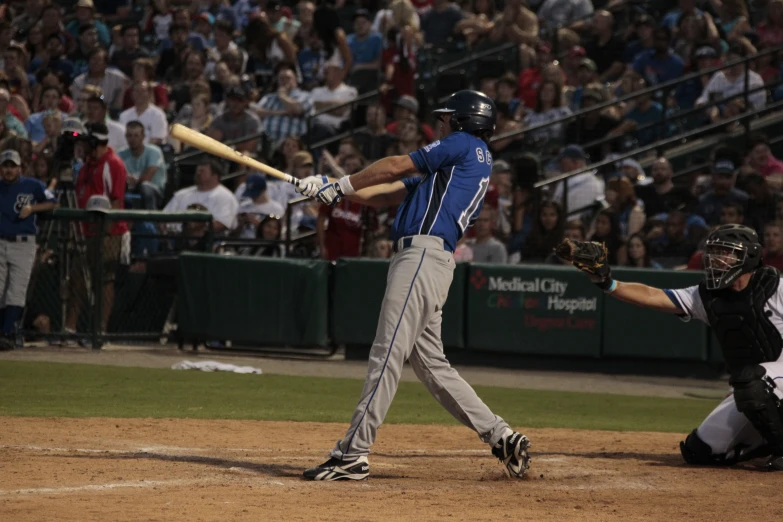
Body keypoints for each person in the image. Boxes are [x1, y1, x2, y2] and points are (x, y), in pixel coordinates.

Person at [295, 90, 531, 481]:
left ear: (464, 120)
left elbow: (392, 167)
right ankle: (500, 435)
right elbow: (386, 192)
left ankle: (353, 453)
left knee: (386, 354)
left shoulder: (463, 144)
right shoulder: (456, 166)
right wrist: (330, 186)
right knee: (433, 366)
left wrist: (341, 185)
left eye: (446, 118)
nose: (440, 125)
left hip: (422, 257)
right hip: (430, 261)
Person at [559, 224, 783, 471]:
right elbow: (653, 296)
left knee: (753, 383)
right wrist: (607, 283)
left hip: (770, 378)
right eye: (714, 252)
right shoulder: (708, 295)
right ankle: (765, 441)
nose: (716, 260)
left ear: (748, 256)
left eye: (725, 253)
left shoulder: (776, 287)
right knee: (700, 451)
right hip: (759, 385)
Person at [65, 123, 128, 338]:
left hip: (106, 232)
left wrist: (106, 233)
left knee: (105, 280)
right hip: (84, 232)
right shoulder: (86, 166)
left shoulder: (113, 164)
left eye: (86, 143)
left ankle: (100, 330)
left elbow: (117, 201)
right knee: (77, 279)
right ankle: (70, 329)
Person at [0, 149, 57, 349]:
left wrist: (33, 208)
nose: (8, 170)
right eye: (5, 166)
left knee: (16, 291)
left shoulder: (32, 185)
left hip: (24, 243)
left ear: (20, 168)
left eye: (12, 166)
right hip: (1, 242)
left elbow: (52, 202)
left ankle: (6, 332)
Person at [163, 159, 238, 234]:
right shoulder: (181, 194)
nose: (198, 173)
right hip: (175, 238)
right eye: (197, 171)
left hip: (210, 240)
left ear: (215, 176)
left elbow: (222, 224)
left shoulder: (225, 196)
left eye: (202, 171)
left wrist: (196, 230)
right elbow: (164, 217)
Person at [117, 121, 166, 210]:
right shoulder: (121, 153)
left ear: (143, 137)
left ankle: (150, 220)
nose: (132, 139)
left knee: (145, 186)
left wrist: (129, 180)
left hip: (154, 192)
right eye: (129, 135)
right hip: (129, 189)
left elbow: (148, 177)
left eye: (136, 135)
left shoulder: (154, 152)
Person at [233, 174, 285, 239]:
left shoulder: (276, 209)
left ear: (264, 190)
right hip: (244, 244)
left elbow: (278, 235)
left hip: (265, 246)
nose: (253, 197)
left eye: (255, 194)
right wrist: (241, 223)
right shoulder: (243, 207)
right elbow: (232, 233)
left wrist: (259, 225)